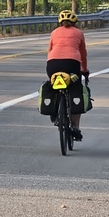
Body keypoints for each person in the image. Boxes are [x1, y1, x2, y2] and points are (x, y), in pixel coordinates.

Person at [46, 9, 89, 141]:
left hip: (52, 64)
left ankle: (54, 111)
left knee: (53, 85)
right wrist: (84, 70)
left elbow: (50, 50)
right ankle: (75, 128)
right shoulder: (79, 33)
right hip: (72, 64)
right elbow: (83, 54)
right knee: (76, 90)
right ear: (75, 23)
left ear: (60, 23)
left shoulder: (54, 32)